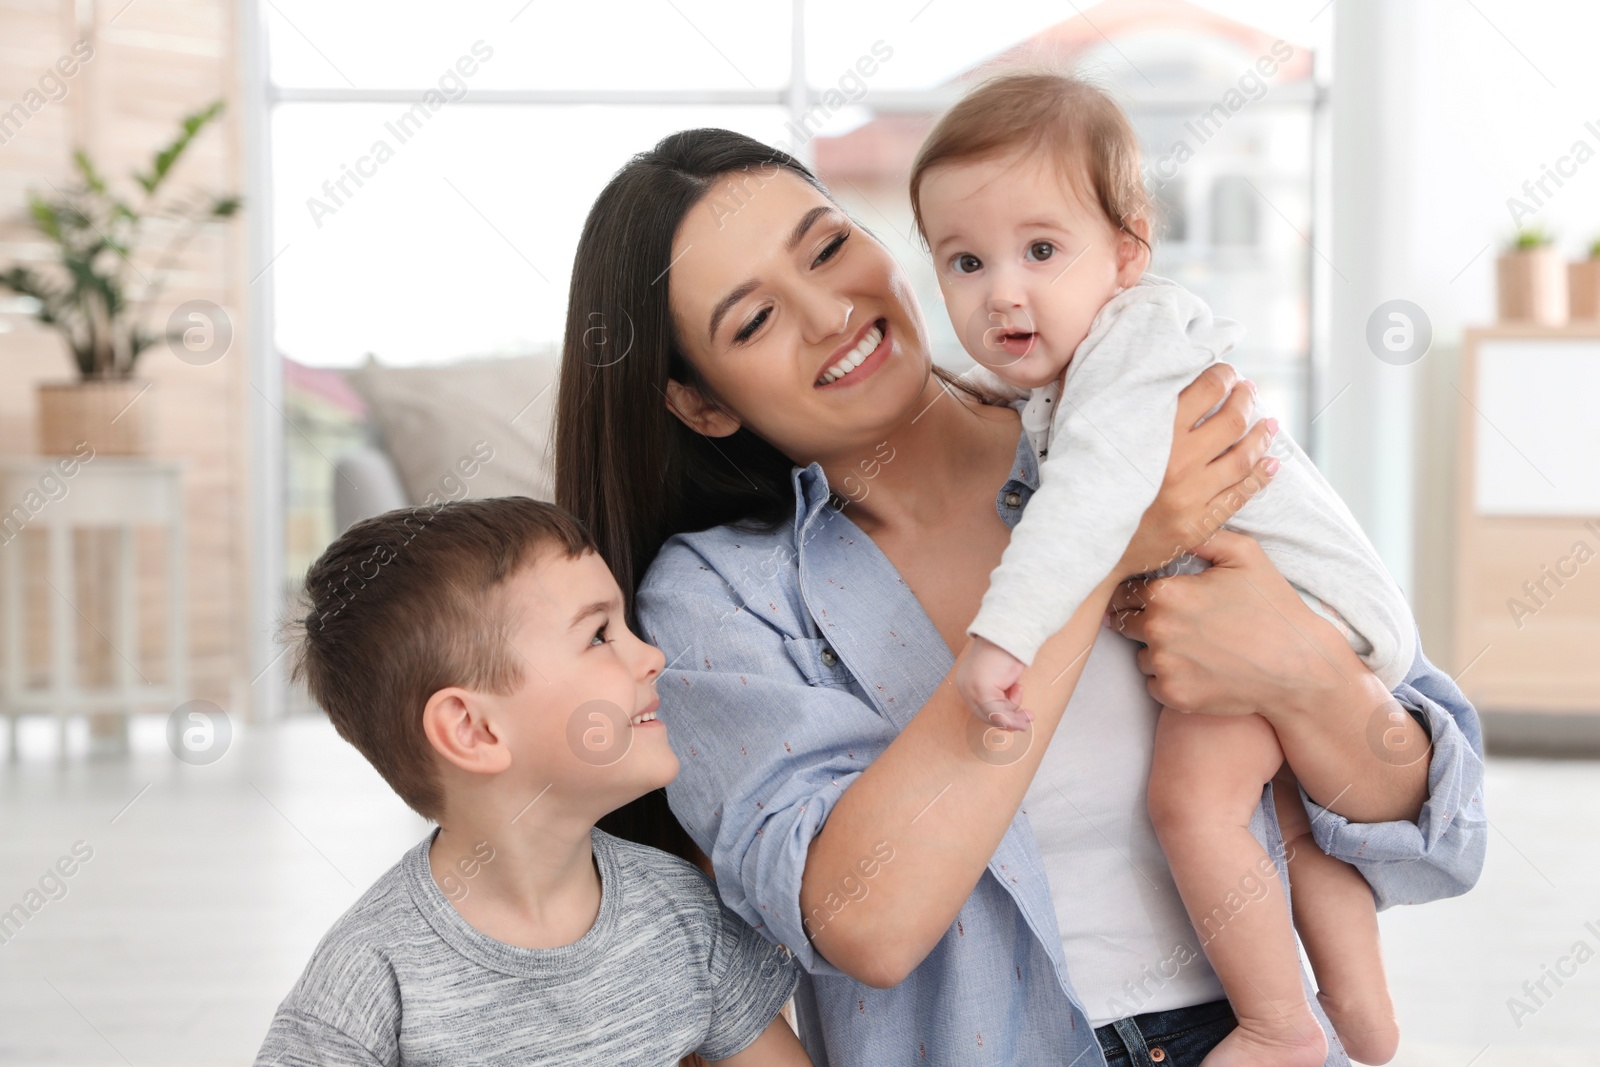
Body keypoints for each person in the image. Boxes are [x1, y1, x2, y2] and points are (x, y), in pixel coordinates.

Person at [554, 127, 1487, 1067]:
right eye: (752, 320)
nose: (831, 311)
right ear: (703, 403)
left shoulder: (1137, 417)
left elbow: (1430, 825)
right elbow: (868, 921)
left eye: (830, 247)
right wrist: (1110, 553)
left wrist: (1304, 674)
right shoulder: (718, 598)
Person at [919, 72, 1408, 1067]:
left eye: (1041, 251)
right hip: (1319, 599)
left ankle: (1277, 1025)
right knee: (1280, 815)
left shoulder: (1128, 345)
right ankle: (1364, 1016)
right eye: (965, 261)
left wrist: (1002, 634)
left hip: (1295, 602)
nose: (1002, 289)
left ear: (1127, 252)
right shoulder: (1082, 360)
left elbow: (1093, 496)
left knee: (1189, 803)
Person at [254, 497, 809, 1067]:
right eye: (598, 635)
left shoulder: (684, 914)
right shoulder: (369, 976)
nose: (652, 656)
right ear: (473, 729)